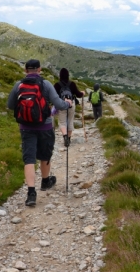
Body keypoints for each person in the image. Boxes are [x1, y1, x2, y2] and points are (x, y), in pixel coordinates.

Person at [7, 59, 72, 207]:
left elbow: (10, 105)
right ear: (39, 69)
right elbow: (58, 104)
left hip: (25, 127)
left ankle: (31, 193)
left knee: (29, 158)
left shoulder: (19, 85)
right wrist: (67, 103)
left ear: (26, 70)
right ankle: (45, 181)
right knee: (45, 154)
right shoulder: (46, 84)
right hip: (45, 126)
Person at [54, 68, 85, 147]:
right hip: (71, 104)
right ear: (68, 75)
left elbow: (54, 97)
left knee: (62, 122)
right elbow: (78, 94)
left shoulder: (57, 85)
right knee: (70, 121)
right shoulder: (72, 84)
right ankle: (69, 138)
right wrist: (82, 93)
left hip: (61, 104)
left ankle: (65, 136)